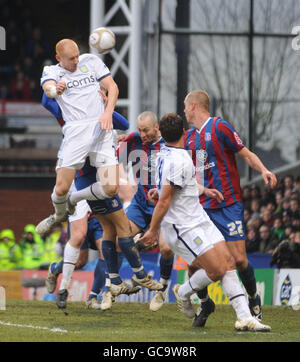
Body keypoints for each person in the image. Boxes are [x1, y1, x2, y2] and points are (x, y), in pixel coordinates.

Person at [140, 113, 271, 332]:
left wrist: (201, 190)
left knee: (228, 261)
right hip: (183, 227)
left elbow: (170, 188)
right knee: (218, 269)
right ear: (183, 133)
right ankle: (182, 292)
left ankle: (244, 317)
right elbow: (164, 201)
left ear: (161, 134)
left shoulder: (164, 152)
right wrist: (153, 230)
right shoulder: (179, 160)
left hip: (198, 217)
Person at [41, 94, 162, 309]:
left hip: (100, 179)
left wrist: (106, 107)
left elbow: (123, 124)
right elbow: (47, 102)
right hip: (80, 179)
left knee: (109, 234)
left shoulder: (102, 114)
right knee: (80, 238)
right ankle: (64, 287)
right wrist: (50, 83)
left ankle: (100, 292)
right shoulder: (69, 113)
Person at [183, 90, 277, 322]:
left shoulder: (219, 127)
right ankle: (206, 304)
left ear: (193, 106)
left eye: (185, 107)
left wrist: (264, 169)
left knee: (239, 260)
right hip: (203, 207)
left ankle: (253, 297)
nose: (184, 111)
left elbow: (245, 154)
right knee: (194, 263)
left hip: (228, 205)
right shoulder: (189, 137)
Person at [36, 38, 119, 235]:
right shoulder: (52, 72)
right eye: (71, 59)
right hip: (76, 133)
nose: (76, 61)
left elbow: (112, 87)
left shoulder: (90, 61)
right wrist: (56, 89)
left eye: (77, 56)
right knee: (61, 188)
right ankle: (58, 216)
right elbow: (48, 89)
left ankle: (75, 199)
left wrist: (108, 112)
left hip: (101, 130)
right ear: (59, 58)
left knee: (111, 189)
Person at [117, 111, 174, 312]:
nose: (142, 134)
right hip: (141, 203)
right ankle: (136, 276)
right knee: (120, 239)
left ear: (156, 128)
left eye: (146, 130)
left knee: (167, 249)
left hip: (164, 205)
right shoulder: (133, 139)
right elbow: (114, 157)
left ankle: (163, 288)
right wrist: (116, 142)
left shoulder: (170, 145)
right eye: (140, 130)